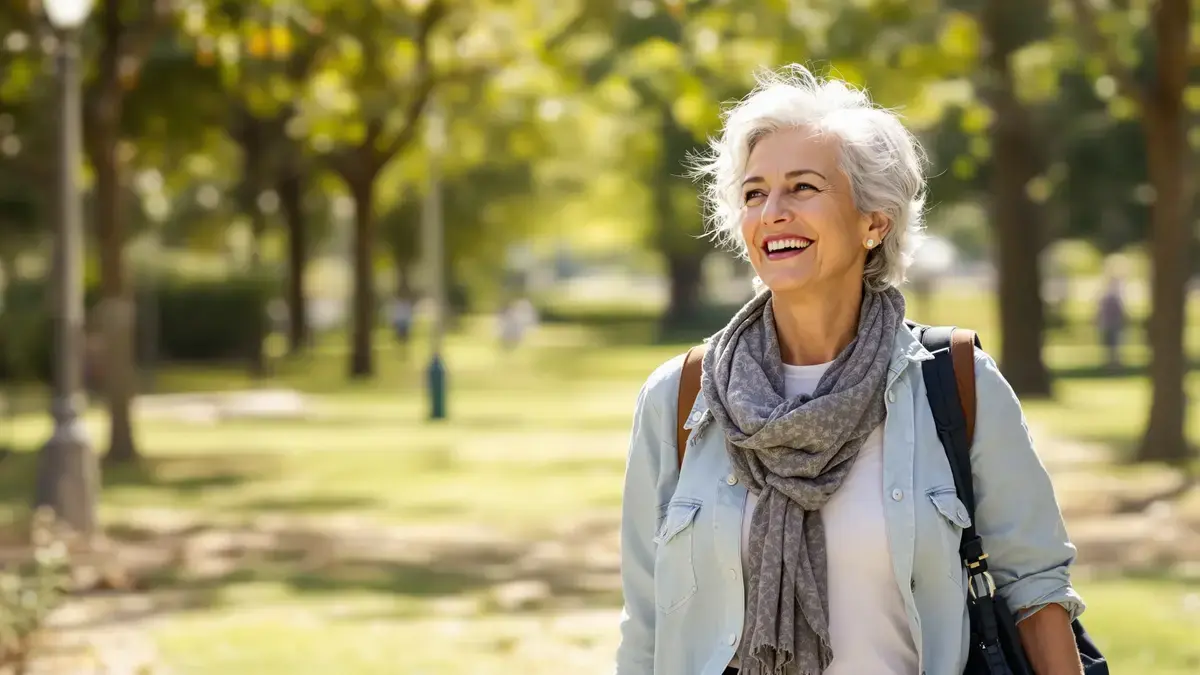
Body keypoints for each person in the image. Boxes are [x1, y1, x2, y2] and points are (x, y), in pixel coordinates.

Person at [614, 65, 1087, 675]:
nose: (772, 212)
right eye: (754, 193)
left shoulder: (957, 383)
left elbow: (1037, 590)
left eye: (803, 187)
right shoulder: (680, 398)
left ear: (874, 221)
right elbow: (646, 623)